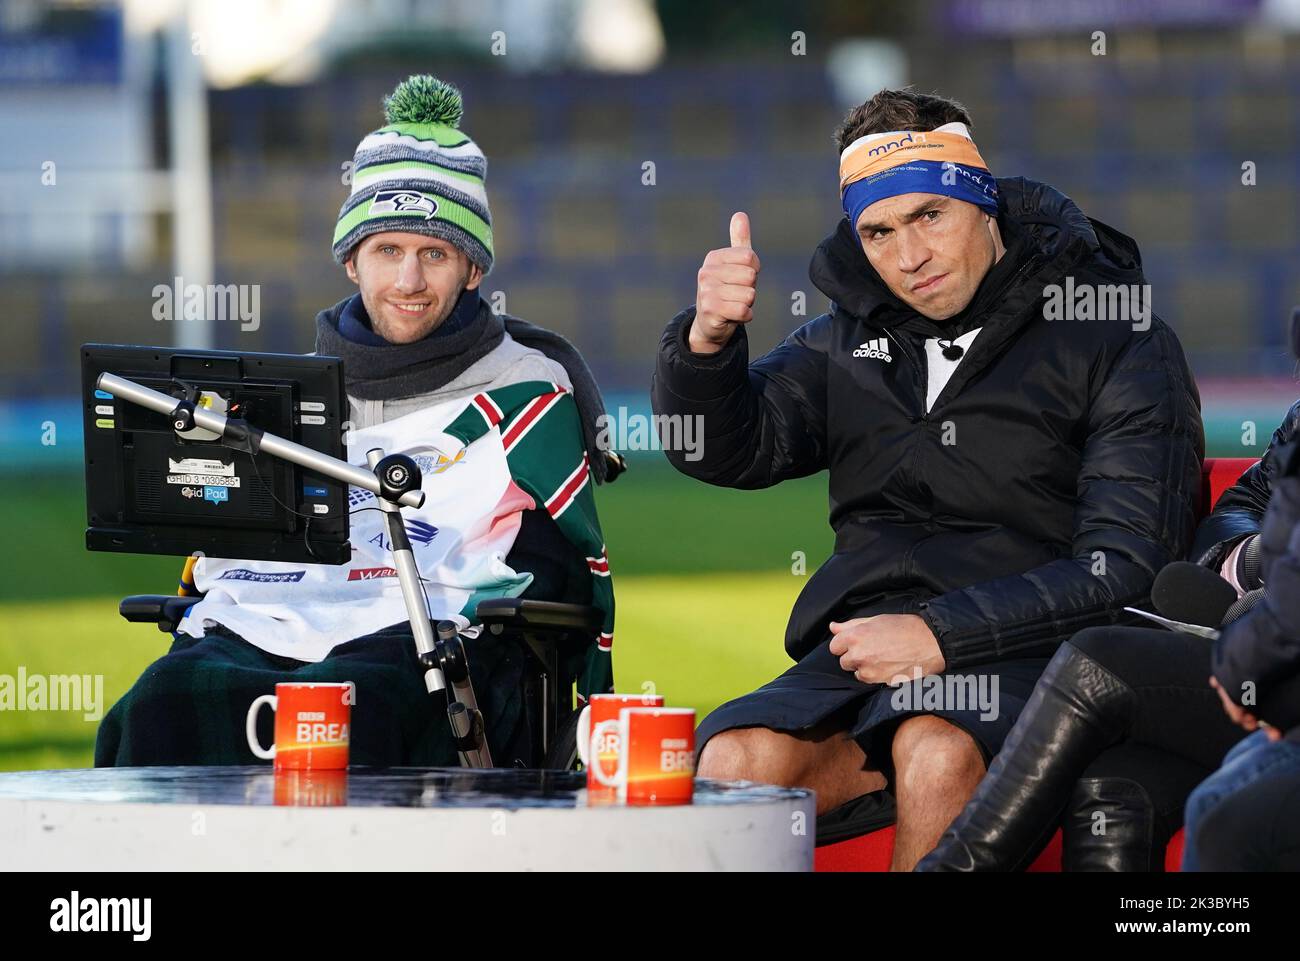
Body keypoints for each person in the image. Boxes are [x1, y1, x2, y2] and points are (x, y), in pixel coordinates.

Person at [651, 87, 1203, 870]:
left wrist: (944, 636)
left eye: (929, 217)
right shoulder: (847, 335)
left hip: (1043, 651)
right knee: (734, 760)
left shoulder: (1119, 335)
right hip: (867, 653)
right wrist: (706, 346)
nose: (908, 257)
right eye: (877, 231)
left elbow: (1129, 566)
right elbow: (731, 448)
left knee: (936, 746)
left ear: (984, 205)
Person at [96, 75, 616, 769]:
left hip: (435, 630)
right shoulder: (288, 395)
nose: (408, 281)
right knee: (164, 694)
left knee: (353, 700)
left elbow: (553, 572)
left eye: (434, 253)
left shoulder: (525, 387)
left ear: (471, 269)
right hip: (280, 617)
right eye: (387, 251)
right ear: (351, 260)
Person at [917, 401, 1300, 871]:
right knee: (1114, 786)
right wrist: (1254, 558)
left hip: (1274, 673)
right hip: (1260, 665)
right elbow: (1244, 506)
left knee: (1098, 657)